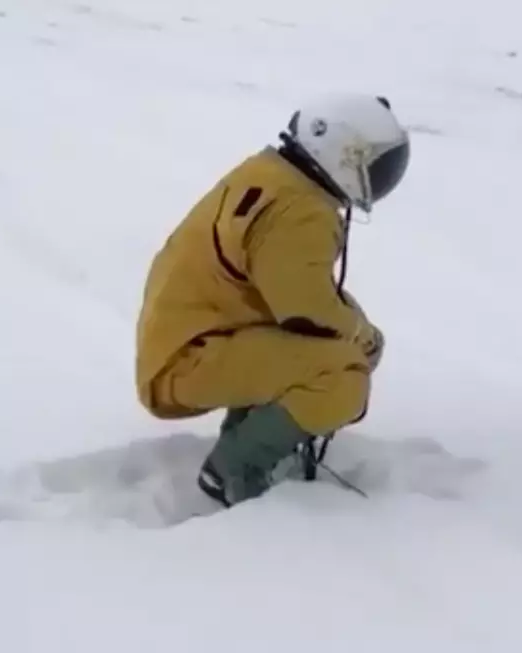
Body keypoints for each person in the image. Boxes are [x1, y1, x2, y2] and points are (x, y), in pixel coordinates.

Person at [135, 93, 411, 507]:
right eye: (376, 167)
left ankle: (247, 437)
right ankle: (234, 468)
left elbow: (291, 287)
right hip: (188, 359)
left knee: (329, 344)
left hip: (184, 339)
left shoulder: (274, 174)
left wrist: (354, 323)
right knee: (342, 374)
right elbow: (305, 308)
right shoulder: (302, 211)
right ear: (342, 153)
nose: (379, 181)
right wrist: (361, 334)